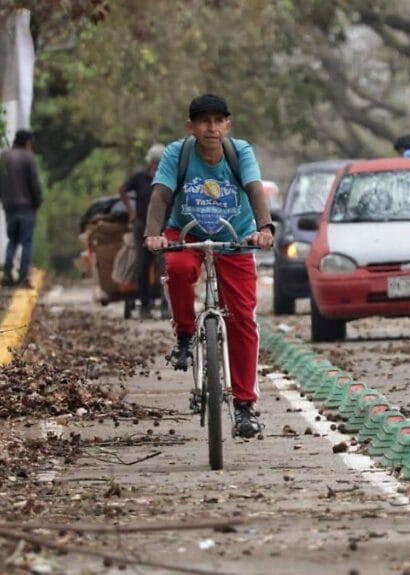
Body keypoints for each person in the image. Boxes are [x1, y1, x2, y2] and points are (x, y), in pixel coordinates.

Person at [144, 94, 274, 438]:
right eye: (204, 121)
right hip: (185, 230)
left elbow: (255, 189)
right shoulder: (178, 153)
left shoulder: (240, 152)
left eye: (218, 121)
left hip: (236, 235)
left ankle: (245, 406)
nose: (211, 128)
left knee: (243, 317)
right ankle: (186, 334)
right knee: (178, 266)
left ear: (227, 125)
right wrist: (153, 234)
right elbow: (160, 194)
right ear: (191, 126)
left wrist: (264, 228)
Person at [119, 143, 169, 319]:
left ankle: (165, 305)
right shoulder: (140, 177)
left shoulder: (167, 177)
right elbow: (122, 189)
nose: (156, 166)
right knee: (142, 265)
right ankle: (145, 305)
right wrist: (131, 211)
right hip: (142, 226)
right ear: (150, 163)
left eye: (160, 163)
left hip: (163, 228)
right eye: (154, 163)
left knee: (164, 266)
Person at [0, 129, 43, 288]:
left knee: (12, 241)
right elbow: (34, 184)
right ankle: (23, 277)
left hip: (10, 207)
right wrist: (37, 203)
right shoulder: (28, 158)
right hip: (26, 207)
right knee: (27, 242)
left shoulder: (4, 157)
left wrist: (4, 200)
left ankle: (7, 275)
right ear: (27, 142)